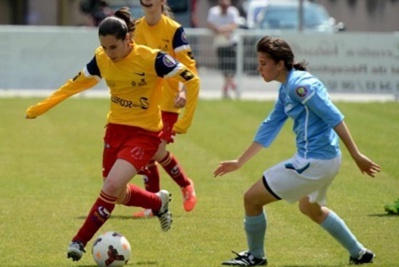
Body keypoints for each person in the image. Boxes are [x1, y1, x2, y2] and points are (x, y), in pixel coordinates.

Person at [25, 9, 199, 262]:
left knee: (111, 187)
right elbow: (76, 83)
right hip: (115, 130)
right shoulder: (102, 58)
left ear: (128, 39)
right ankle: (157, 202)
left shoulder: (152, 59)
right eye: (104, 47)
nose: (109, 53)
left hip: (145, 134)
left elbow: (192, 79)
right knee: (116, 194)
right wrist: (44, 105)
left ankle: (79, 241)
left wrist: (185, 120)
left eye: (113, 47)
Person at [213, 36, 381, 266]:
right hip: (325, 160)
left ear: (279, 64)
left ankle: (256, 257)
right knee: (310, 208)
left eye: (263, 63)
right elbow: (270, 126)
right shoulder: (287, 88)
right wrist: (239, 162)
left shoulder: (299, 86)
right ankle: (360, 253)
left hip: (314, 162)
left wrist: (356, 154)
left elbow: (334, 117)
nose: (258, 68)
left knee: (251, 199)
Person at [130, 0, 199, 218]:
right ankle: (155, 205)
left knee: (156, 151)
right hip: (143, 102)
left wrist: (183, 92)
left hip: (168, 101)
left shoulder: (174, 30)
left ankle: (186, 185)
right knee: (148, 154)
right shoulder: (134, 29)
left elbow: (189, 67)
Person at [207, 0, 240, 99]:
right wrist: (222, 31)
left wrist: (223, 29)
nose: (225, 8)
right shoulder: (213, 11)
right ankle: (231, 85)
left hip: (231, 42)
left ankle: (227, 86)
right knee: (224, 66)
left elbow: (234, 24)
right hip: (220, 44)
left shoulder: (233, 11)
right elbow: (211, 24)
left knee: (232, 65)